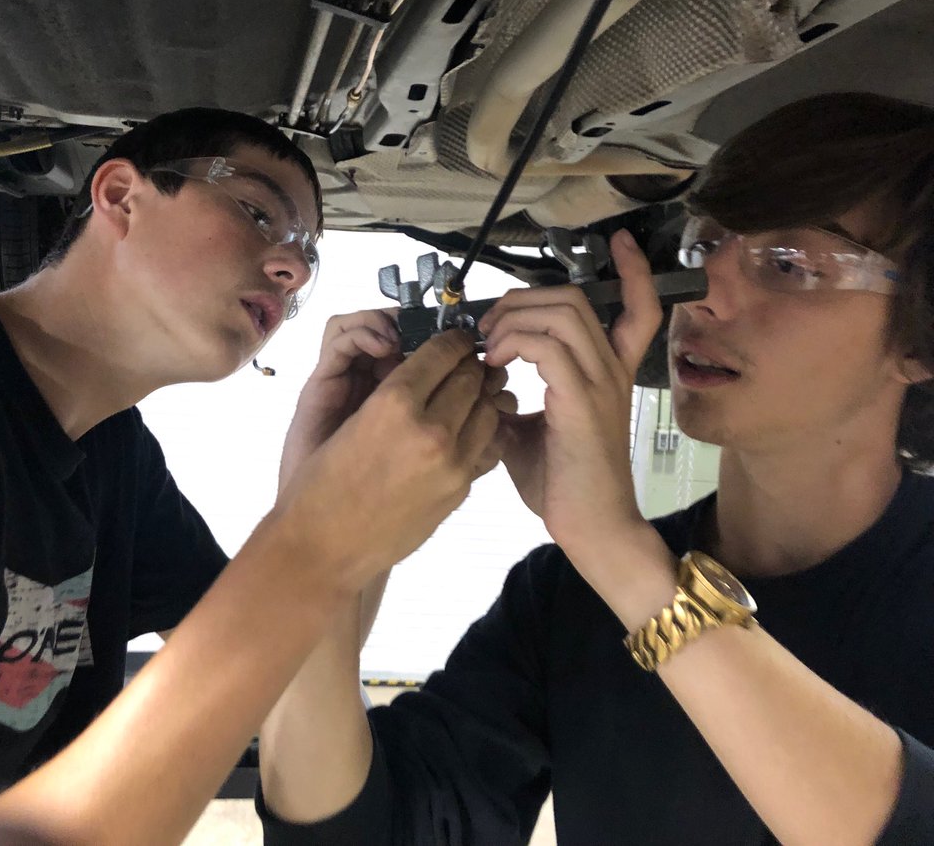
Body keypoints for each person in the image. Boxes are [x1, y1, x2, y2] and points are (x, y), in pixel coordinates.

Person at [0, 107, 505, 845]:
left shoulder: (114, 454)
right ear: (120, 196)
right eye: (258, 213)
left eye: (308, 251)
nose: (295, 267)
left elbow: (283, 675)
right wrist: (316, 538)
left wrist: (333, 484)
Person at [257, 91, 934, 845]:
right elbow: (360, 832)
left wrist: (619, 551)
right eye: (703, 246)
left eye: (788, 264)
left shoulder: (609, 569)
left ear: (920, 342)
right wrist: (321, 537)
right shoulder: (567, 599)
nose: (705, 294)